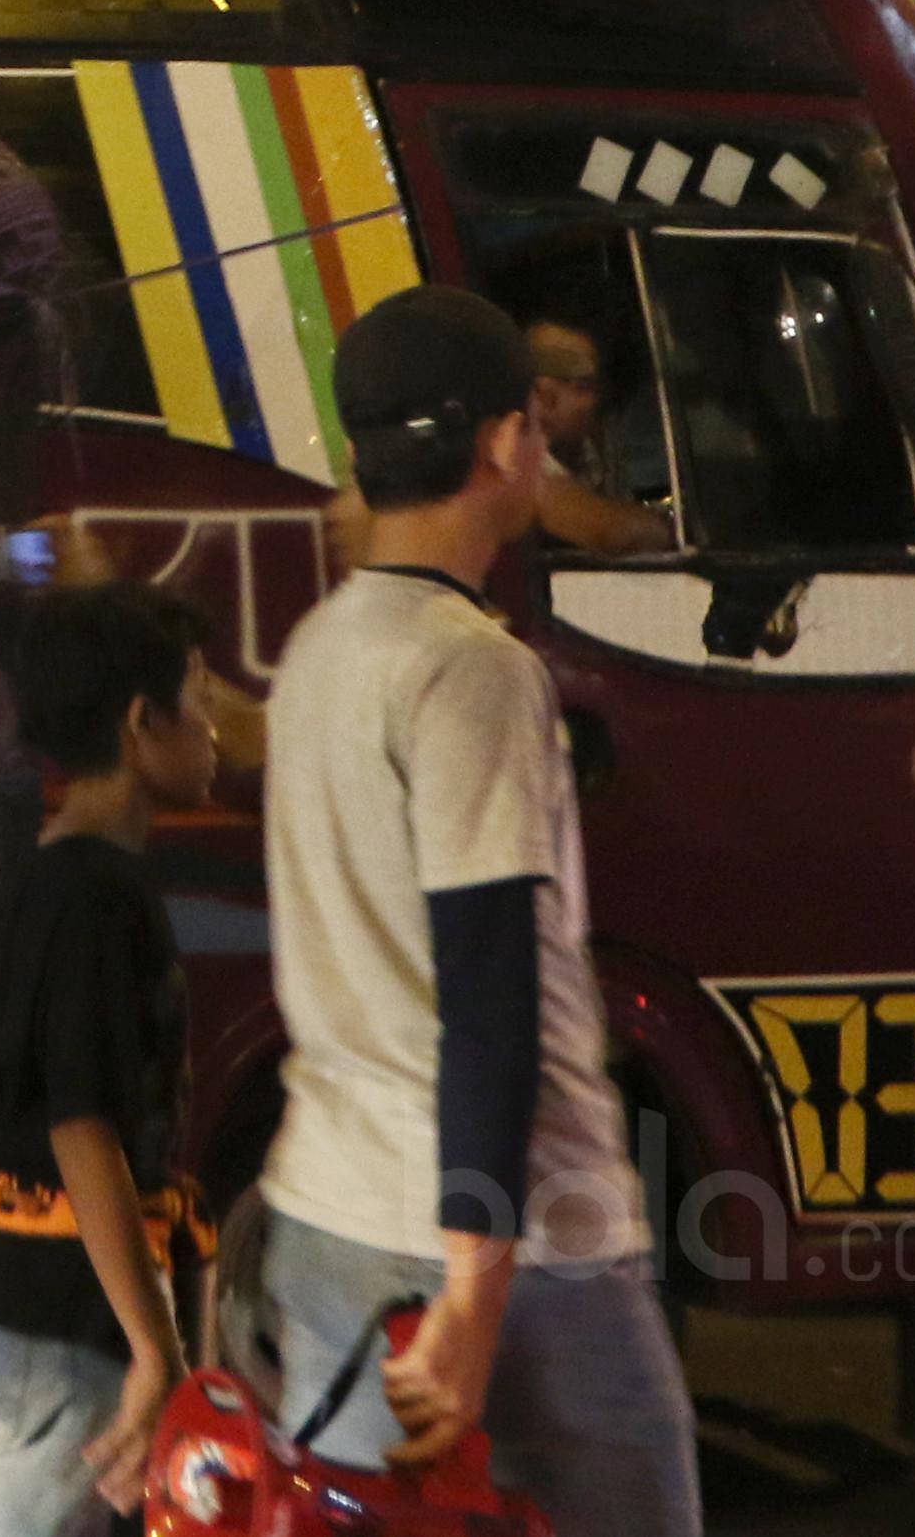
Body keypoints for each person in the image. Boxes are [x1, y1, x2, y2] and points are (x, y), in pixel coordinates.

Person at [258, 286, 696, 1535]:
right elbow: (489, 989)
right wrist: (474, 1286)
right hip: (514, 1238)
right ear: (505, 444)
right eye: (538, 438)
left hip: (323, 1203)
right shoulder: (473, 668)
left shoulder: (317, 650)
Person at [0, 585, 216, 1537]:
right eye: (199, 699)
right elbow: (81, 1127)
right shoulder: (94, 897)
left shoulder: (70, 874)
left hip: (47, 1295)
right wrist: (154, 1347)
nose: (216, 727)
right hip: (62, 1308)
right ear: (141, 724)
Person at [519, 316, 676, 557]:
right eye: (537, 375)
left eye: (582, 387)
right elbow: (614, 533)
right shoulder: (516, 455)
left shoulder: (599, 452)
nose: (546, 398)